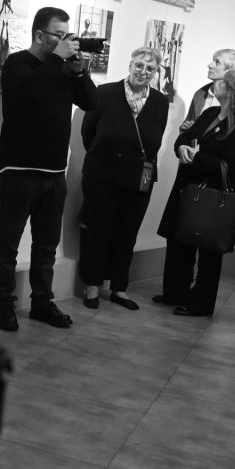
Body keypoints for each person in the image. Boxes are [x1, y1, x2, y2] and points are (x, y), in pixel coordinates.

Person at [0, 7, 97, 331]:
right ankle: (4, 305)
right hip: (18, 170)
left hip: (54, 173)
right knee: (9, 243)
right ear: (40, 35)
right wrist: (56, 60)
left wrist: (78, 72)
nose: (66, 41)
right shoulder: (17, 63)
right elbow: (27, 92)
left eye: (68, 34)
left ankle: (41, 303)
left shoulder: (63, 68)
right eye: (59, 35)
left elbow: (92, 103)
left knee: (46, 246)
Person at [154, 70, 235, 315]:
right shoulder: (210, 113)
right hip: (187, 187)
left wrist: (196, 157)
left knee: (209, 249)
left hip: (213, 194)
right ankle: (175, 292)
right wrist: (181, 148)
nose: (215, 84)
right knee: (179, 240)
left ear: (232, 92)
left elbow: (231, 167)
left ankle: (201, 303)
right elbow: (186, 136)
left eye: (222, 83)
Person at [78, 47, 169, 310]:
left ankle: (119, 287)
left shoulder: (160, 102)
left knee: (127, 233)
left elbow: (155, 138)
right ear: (130, 65)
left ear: (155, 73)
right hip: (102, 175)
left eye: (150, 68)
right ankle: (92, 286)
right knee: (98, 231)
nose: (143, 71)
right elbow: (88, 133)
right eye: (139, 65)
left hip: (140, 177)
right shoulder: (105, 93)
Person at [180, 48, 235, 132]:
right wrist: (186, 128)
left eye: (217, 62)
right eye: (213, 61)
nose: (209, 65)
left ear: (230, 71)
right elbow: (187, 125)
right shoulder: (200, 94)